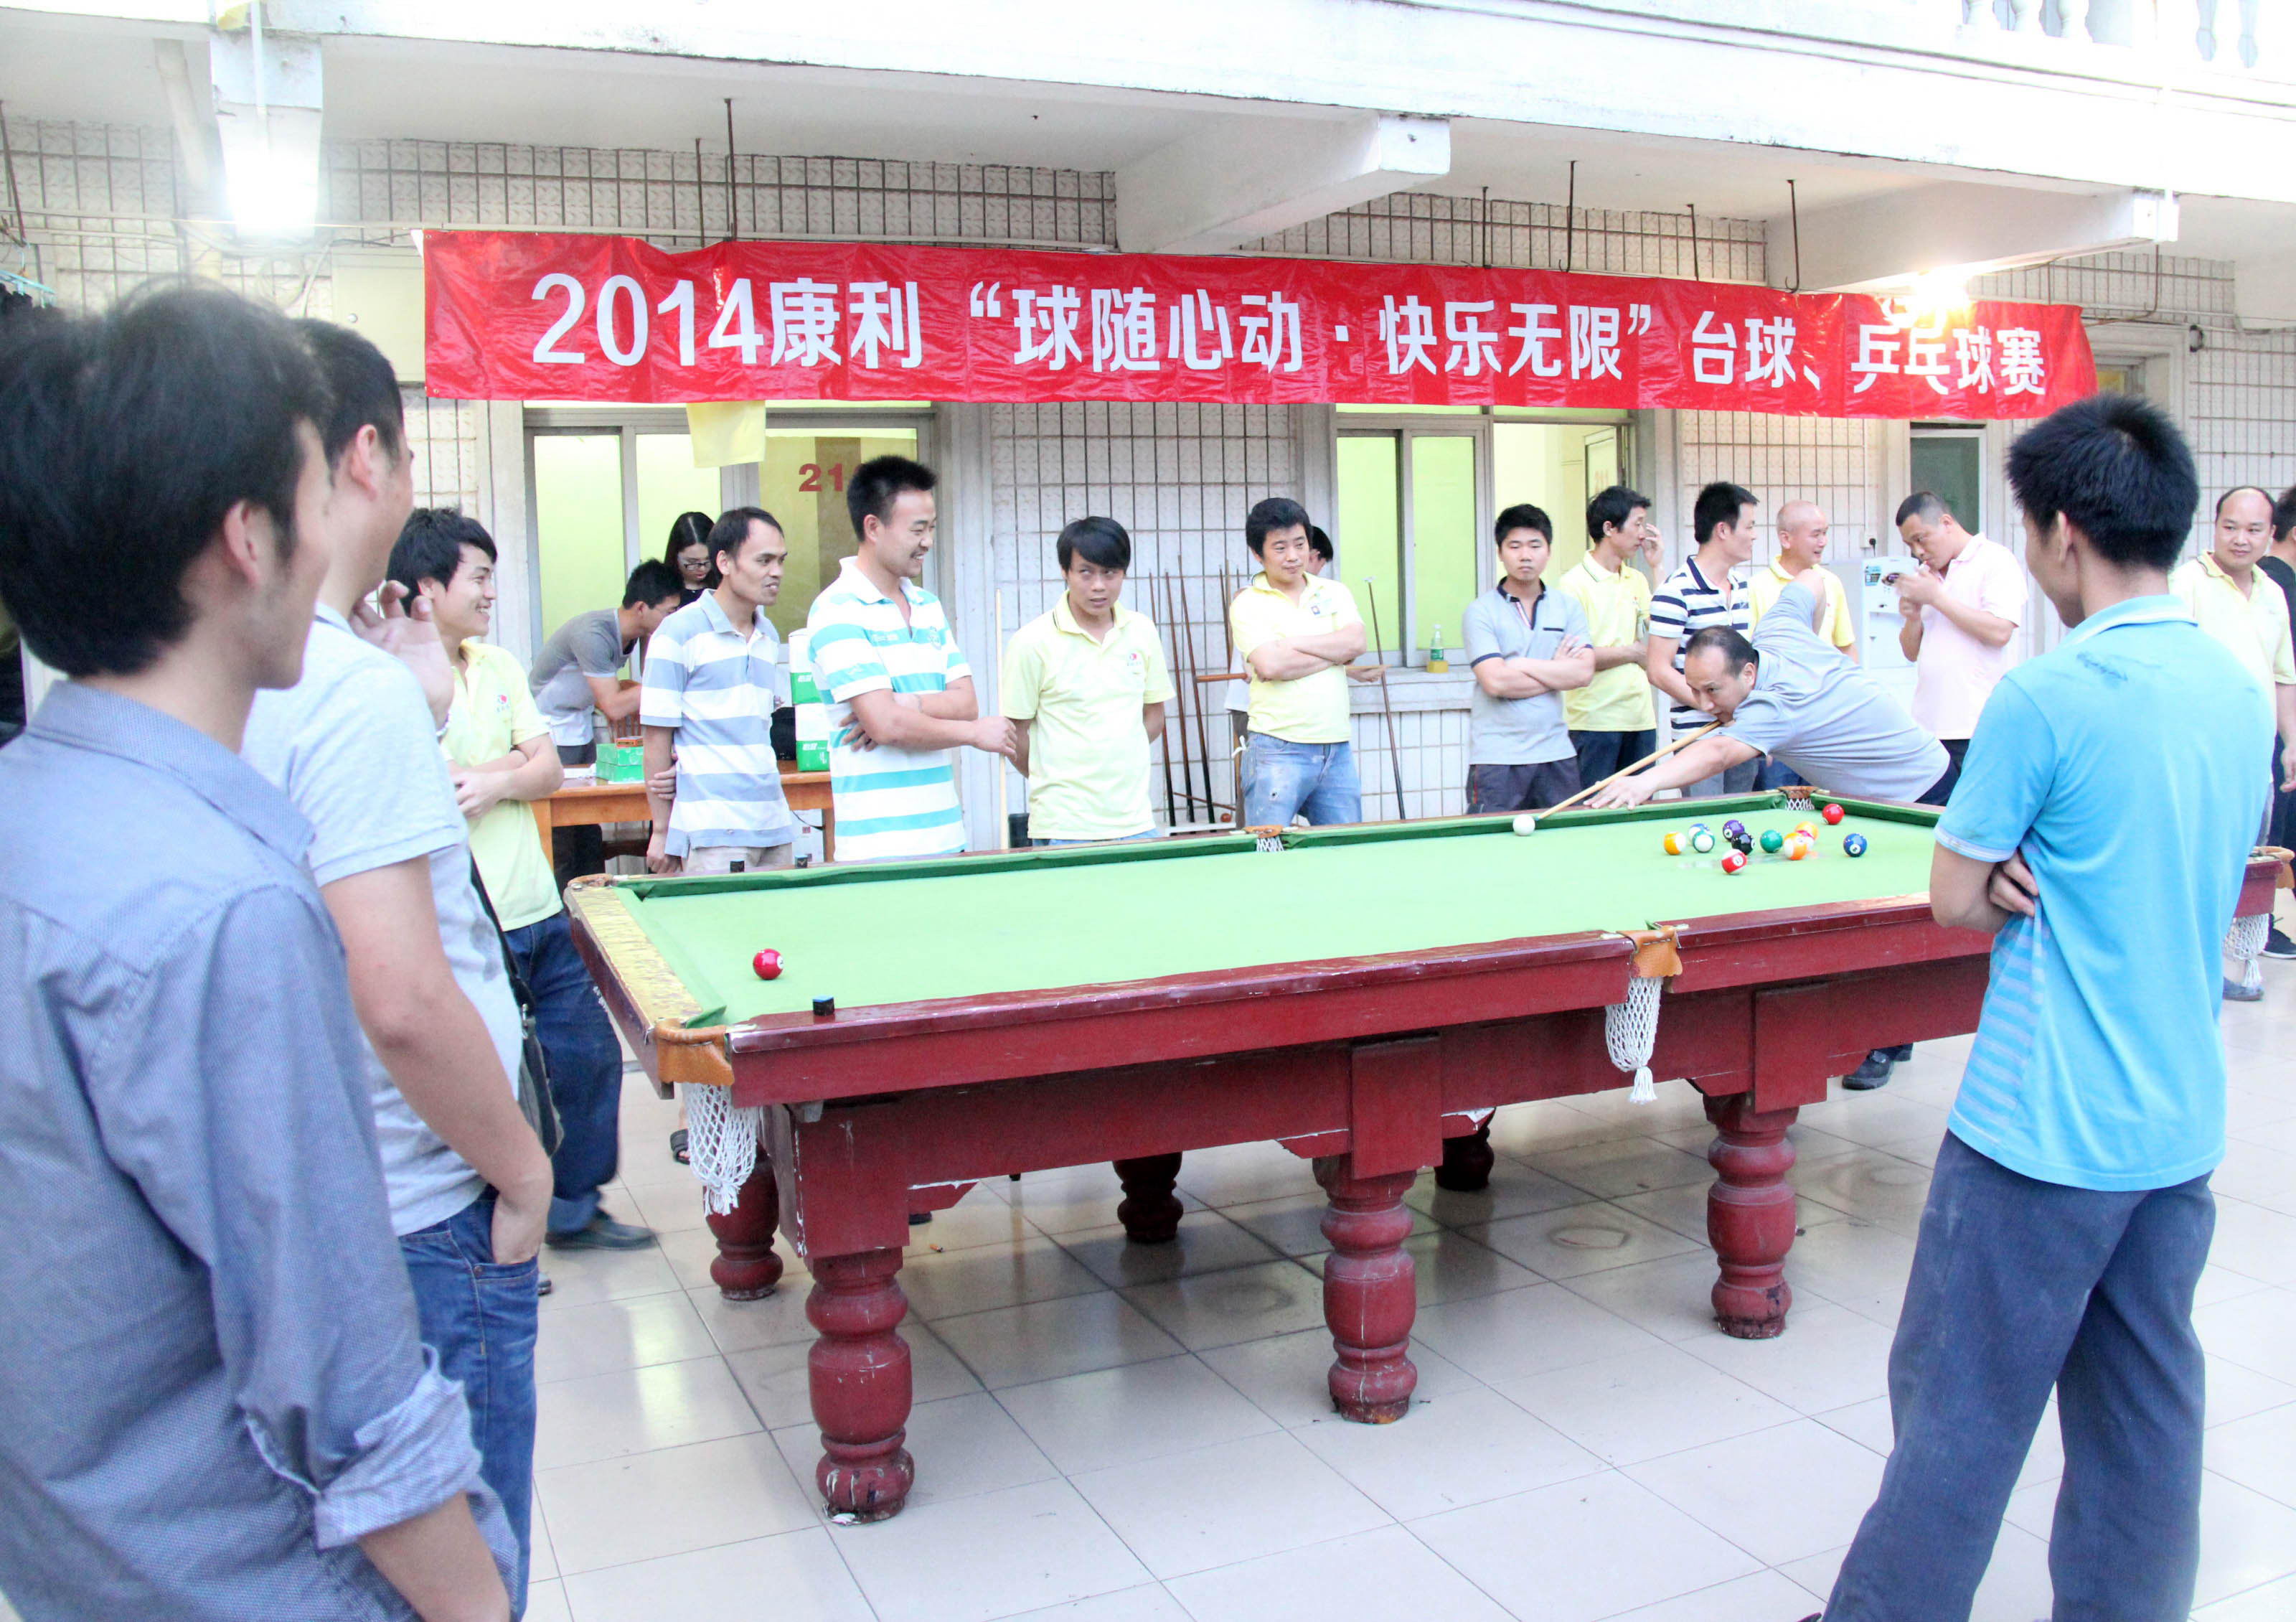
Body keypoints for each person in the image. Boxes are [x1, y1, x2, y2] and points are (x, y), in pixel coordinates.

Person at [0, 286, 515, 1620]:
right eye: (312, 490)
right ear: (249, 538)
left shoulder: (34, 814)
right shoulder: (225, 908)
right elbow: (347, 1393)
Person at [1809, 395, 2270, 1622]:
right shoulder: (2236, 688)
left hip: (2038, 1128)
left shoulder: (2047, 697)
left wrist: (2011, 868)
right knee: (2145, 1413)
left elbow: (1955, 896)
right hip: (2176, 1122)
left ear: (2064, 532)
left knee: (1958, 1408)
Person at [243, 319, 549, 1611]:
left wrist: (412, 702)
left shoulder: (243, 670)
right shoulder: (340, 688)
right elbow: (405, 996)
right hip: (426, 1199)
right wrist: (523, 1171)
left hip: (315, 1186)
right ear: (364, 457)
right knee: (467, 1569)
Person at [392, 508, 655, 1255]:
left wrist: (494, 778)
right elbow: (432, 785)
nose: (490, 593)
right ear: (426, 587)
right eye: (478, 577)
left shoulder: (498, 664)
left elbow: (547, 772)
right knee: (495, 1079)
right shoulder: (393, 681)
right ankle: (495, 1229)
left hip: (536, 907)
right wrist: (510, 766)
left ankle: (573, 1207)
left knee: (587, 1055)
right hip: (466, 922)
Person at [808, 456, 1012, 862]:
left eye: (932, 528)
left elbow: (967, 702)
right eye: (917, 530)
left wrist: (908, 703)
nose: (928, 542)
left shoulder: (927, 605)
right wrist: (973, 734)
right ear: (873, 527)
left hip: (946, 836)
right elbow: (886, 725)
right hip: (877, 850)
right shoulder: (836, 609)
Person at [1591, 581, 1947, 812]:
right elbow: (1812, 582)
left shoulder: (1773, 708)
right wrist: (1810, 645)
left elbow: (1718, 753)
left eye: (1713, 690)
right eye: (1696, 691)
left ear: (1748, 673)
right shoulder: (1779, 629)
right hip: (1902, 781)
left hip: (1920, 792)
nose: (1706, 705)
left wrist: (1645, 782)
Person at [2171, 486, 2296, 1003]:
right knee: (2199, 861)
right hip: (2198, 757)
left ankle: (2240, 959)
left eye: (2253, 530)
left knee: (2250, 860)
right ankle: (2192, 965)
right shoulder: (2185, 583)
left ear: (2271, 534)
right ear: (2214, 526)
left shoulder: (2273, 592)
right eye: (2230, 527)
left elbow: (2283, 676)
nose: (2240, 539)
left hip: (2255, 760)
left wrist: (2291, 743)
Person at [641, 507, 801, 875]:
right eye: (763, 560)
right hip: (712, 831)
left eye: (781, 560)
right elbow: (656, 740)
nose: (776, 571)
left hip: (773, 823)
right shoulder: (677, 632)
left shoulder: (768, 635)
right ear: (725, 562)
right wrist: (662, 830)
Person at [1002, 515, 1175, 845]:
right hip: (1063, 829)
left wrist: (1118, 755)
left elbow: (1154, 717)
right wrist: (1055, 776)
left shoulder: (1142, 630)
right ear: (1065, 572)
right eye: (1086, 572)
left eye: (1110, 573)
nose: (1099, 585)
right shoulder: (1031, 642)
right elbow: (1015, 736)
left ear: (1124, 573)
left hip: (1136, 822)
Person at [528, 560, 686, 882]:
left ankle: (598, 904)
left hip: (578, 726)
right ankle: (564, 908)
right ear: (641, 608)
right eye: (669, 612)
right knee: (563, 840)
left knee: (588, 833)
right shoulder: (594, 634)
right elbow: (613, 706)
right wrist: (671, 682)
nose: (674, 620)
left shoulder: (637, 634)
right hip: (547, 731)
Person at [1229, 496, 1367, 827]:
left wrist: (1293, 645)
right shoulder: (1247, 603)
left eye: (1300, 544)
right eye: (1280, 548)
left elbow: (1357, 643)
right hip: (1276, 748)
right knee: (1269, 848)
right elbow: (1271, 666)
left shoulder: (1335, 592)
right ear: (1258, 554)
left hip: (1336, 748)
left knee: (1345, 847)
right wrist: (1334, 656)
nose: (1293, 556)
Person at [1893, 491, 2027, 802]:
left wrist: (1937, 598)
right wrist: (1913, 618)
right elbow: (1910, 652)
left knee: (1978, 817)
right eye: (1910, 545)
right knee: (1930, 819)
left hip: (1978, 727)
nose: (1918, 552)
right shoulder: (1925, 576)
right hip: (1929, 729)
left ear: (1946, 522)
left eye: (1921, 539)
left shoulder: (1995, 560)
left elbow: (2000, 631)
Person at [1463, 503, 1594, 813]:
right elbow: (1496, 683)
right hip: (1497, 758)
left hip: (1556, 753)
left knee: (1565, 838)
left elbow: (1583, 674)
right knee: (1492, 840)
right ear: (1500, 552)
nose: (1525, 555)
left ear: (1548, 551)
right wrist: (1557, 673)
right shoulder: (1480, 611)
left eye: (1535, 546)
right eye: (1515, 546)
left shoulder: (1568, 607)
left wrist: (1521, 665)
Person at [1647, 481, 1761, 797]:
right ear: (1723, 530)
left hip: (1742, 734)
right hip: (1697, 740)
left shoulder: (1742, 586)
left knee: (1742, 819)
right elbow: (1658, 669)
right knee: (1706, 823)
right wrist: (1712, 705)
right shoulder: (1675, 591)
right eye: (1749, 526)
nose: (1754, 535)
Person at [1556, 484, 1657, 787]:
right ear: (1609, 528)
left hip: (1640, 718)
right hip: (1593, 722)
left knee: (1639, 806)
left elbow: (1661, 634)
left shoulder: (1637, 579)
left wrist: (1658, 567)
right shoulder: (1573, 584)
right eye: (1637, 524)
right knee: (1591, 807)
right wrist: (1631, 653)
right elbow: (1576, 658)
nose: (1643, 534)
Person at [2264, 485, 2296, 959]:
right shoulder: (2276, 587)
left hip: (2279, 729)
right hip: (2272, 729)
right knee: (2272, 833)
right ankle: (2258, 924)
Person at [665, 508, 715, 604]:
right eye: (692, 562)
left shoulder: (725, 585)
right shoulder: (662, 589)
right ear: (675, 555)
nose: (702, 568)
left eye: (708, 560)